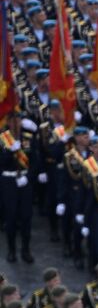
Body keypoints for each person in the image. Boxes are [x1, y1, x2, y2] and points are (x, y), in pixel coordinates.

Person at [0, 111, 38, 263]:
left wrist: (28, 177)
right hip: (9, 181)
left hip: (24, 180)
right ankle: (11, 250)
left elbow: (35, 160)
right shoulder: (3, 140)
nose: (15, 122)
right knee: (11, 217)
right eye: (12, 120)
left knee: (26, 217)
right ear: (7, 122)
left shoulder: (28, 138)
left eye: (18, 119)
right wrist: (10, 151)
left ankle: (26, 249)